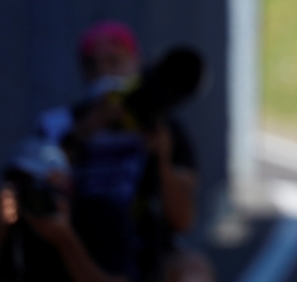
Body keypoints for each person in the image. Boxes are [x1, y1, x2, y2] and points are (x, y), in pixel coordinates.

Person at [35, 21, 212, 282]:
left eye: (114, 62)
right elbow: (35, 186)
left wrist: (161, 159)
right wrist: (87, 130)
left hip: (147, 243)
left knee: (192, 271)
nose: (104, 72)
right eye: (94, 65)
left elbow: (183, 220)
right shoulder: (59, 123)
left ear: (136, 63)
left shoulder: (165, 128)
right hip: (80, 239)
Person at [0, 138, 125, 282]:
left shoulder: (102, 215)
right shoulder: (13, 220)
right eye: (22, 185)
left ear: (67, 186)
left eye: (40, 186)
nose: (33, 196)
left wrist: (65, 240)